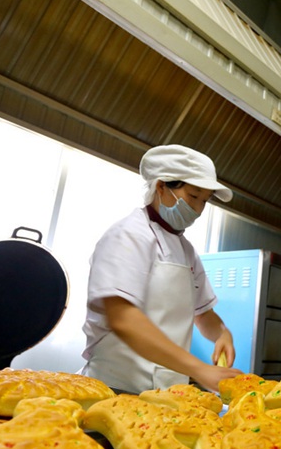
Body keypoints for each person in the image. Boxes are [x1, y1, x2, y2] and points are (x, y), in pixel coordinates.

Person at [81, 145, 242, 394]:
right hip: (116, 388)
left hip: (167, 392)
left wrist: (223, 334)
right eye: (193, 196)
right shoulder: (128, 236)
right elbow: (123, 319)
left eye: (205, 200)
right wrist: (199, 369)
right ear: (161, 187)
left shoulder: (186, 250)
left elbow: (203, 314)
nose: (199, 209)